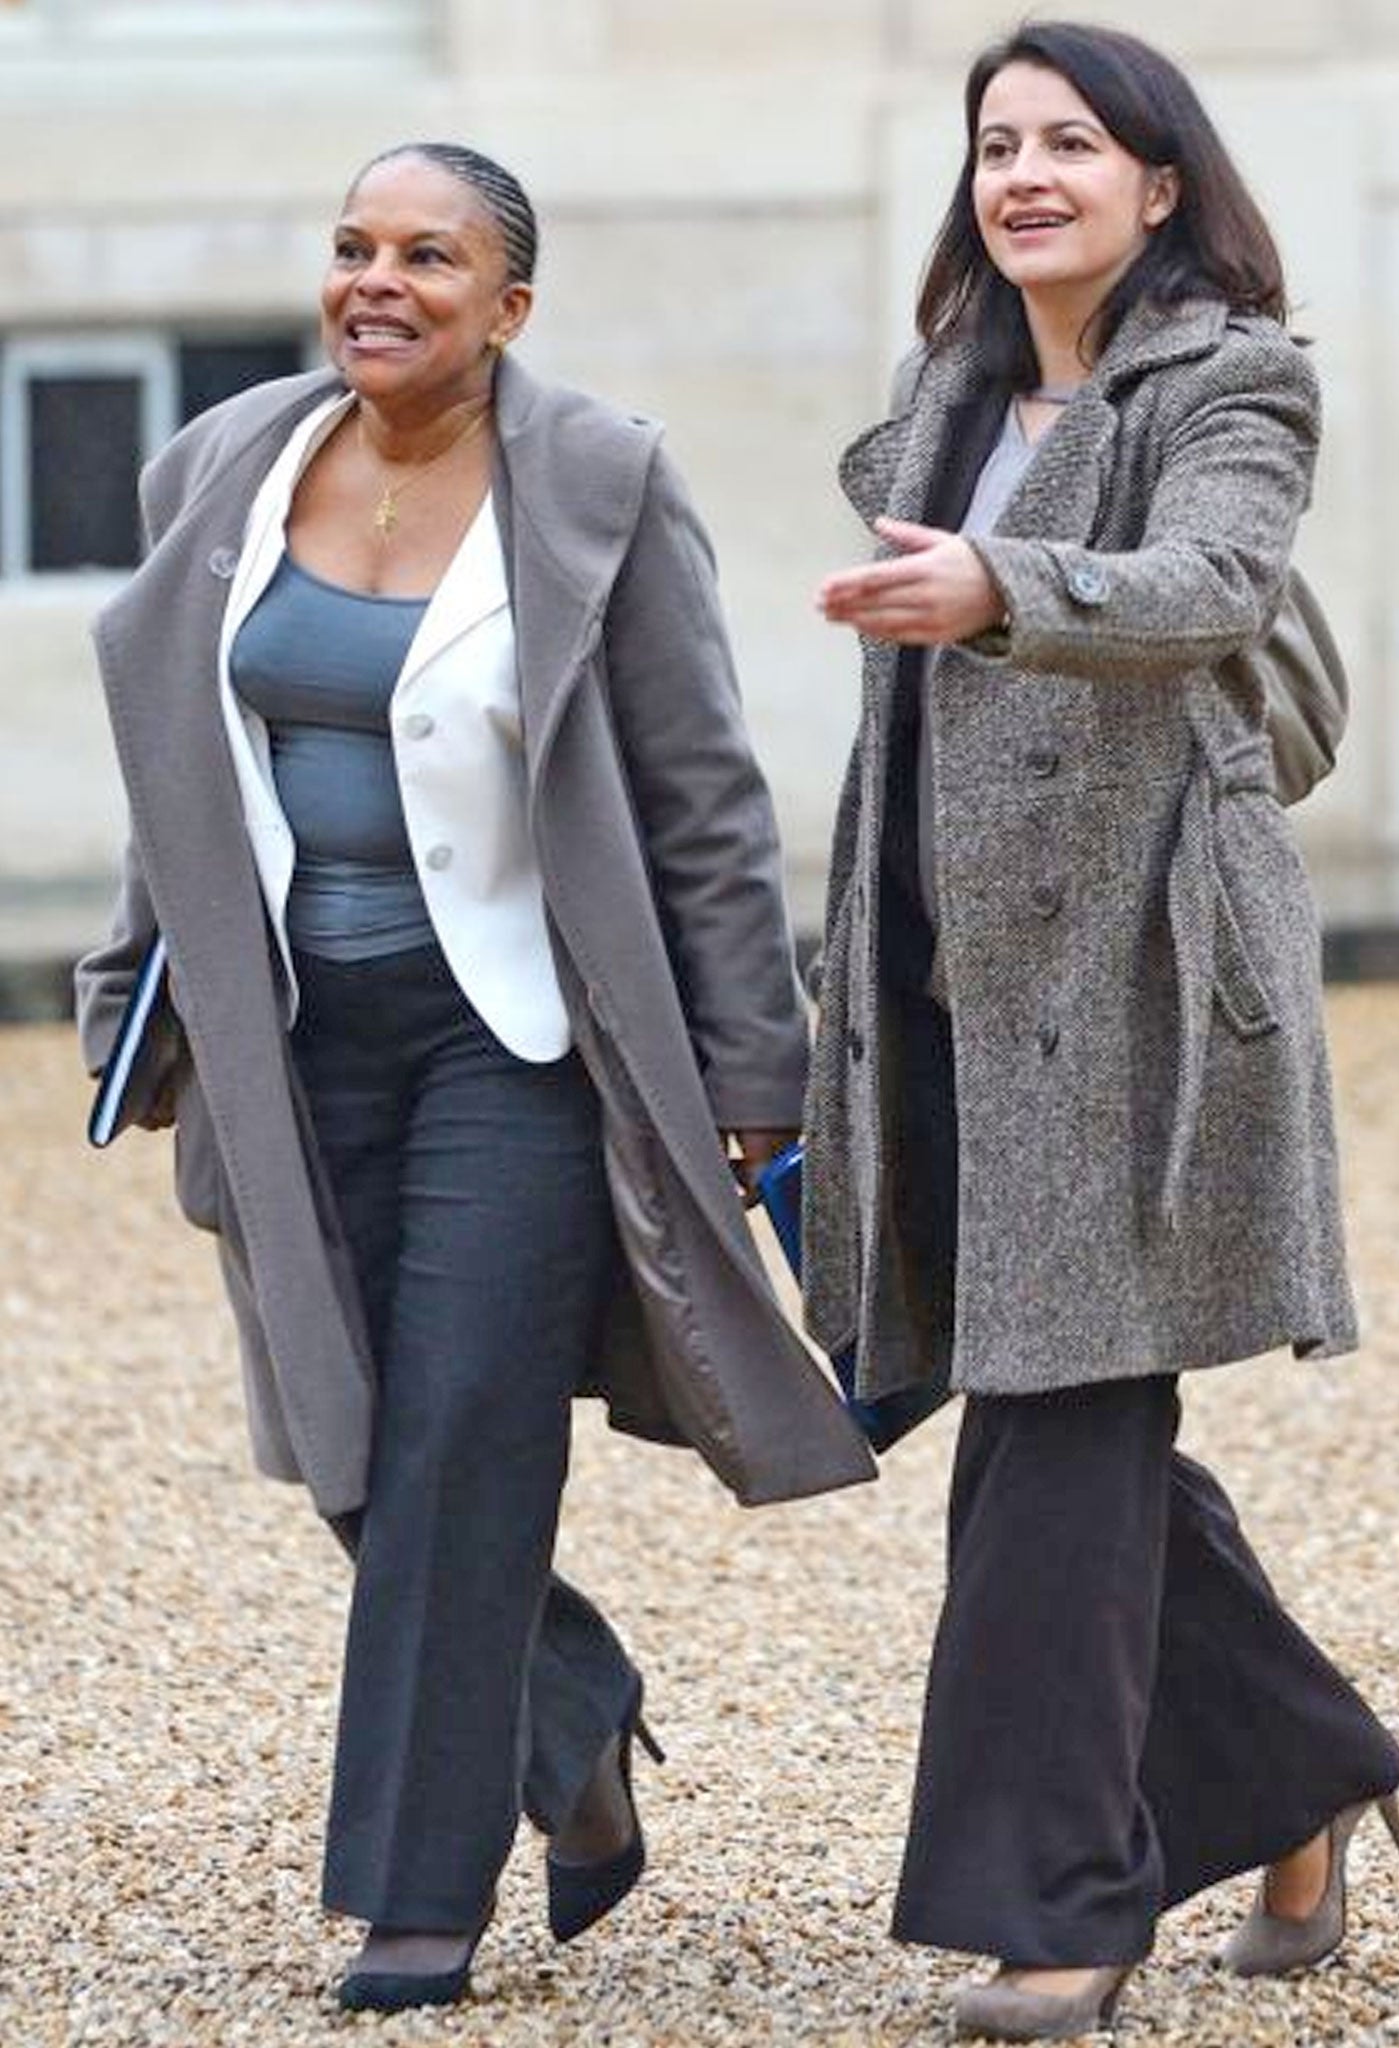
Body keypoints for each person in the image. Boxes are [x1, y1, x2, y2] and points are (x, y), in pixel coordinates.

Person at [76, 141, 875, 2014]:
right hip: (291, 1035)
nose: (377, 281)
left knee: (464, 1435)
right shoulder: (228, 462)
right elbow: (181, 759)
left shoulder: (594, 478)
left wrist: (761, 1059)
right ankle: (577, 1703)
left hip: (517, 1040)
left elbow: (699, 796)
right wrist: (137, 983)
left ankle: (417, 1896)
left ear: (508, 306)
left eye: (427, 257)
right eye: (354, 247)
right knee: (349, 1432)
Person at [804, 22, 1399, 2041]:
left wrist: (998, 580)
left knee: (1057, 1432)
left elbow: (1214, 577)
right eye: (998, 142)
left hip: (1136, 979)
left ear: (1163, 185)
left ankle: (1064, 1897)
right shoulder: (943, 389)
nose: (1027, 171)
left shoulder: (1233, 376)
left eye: (1074, 140)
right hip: (942, 982)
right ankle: (1301, 1763)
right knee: (1068, 1396)